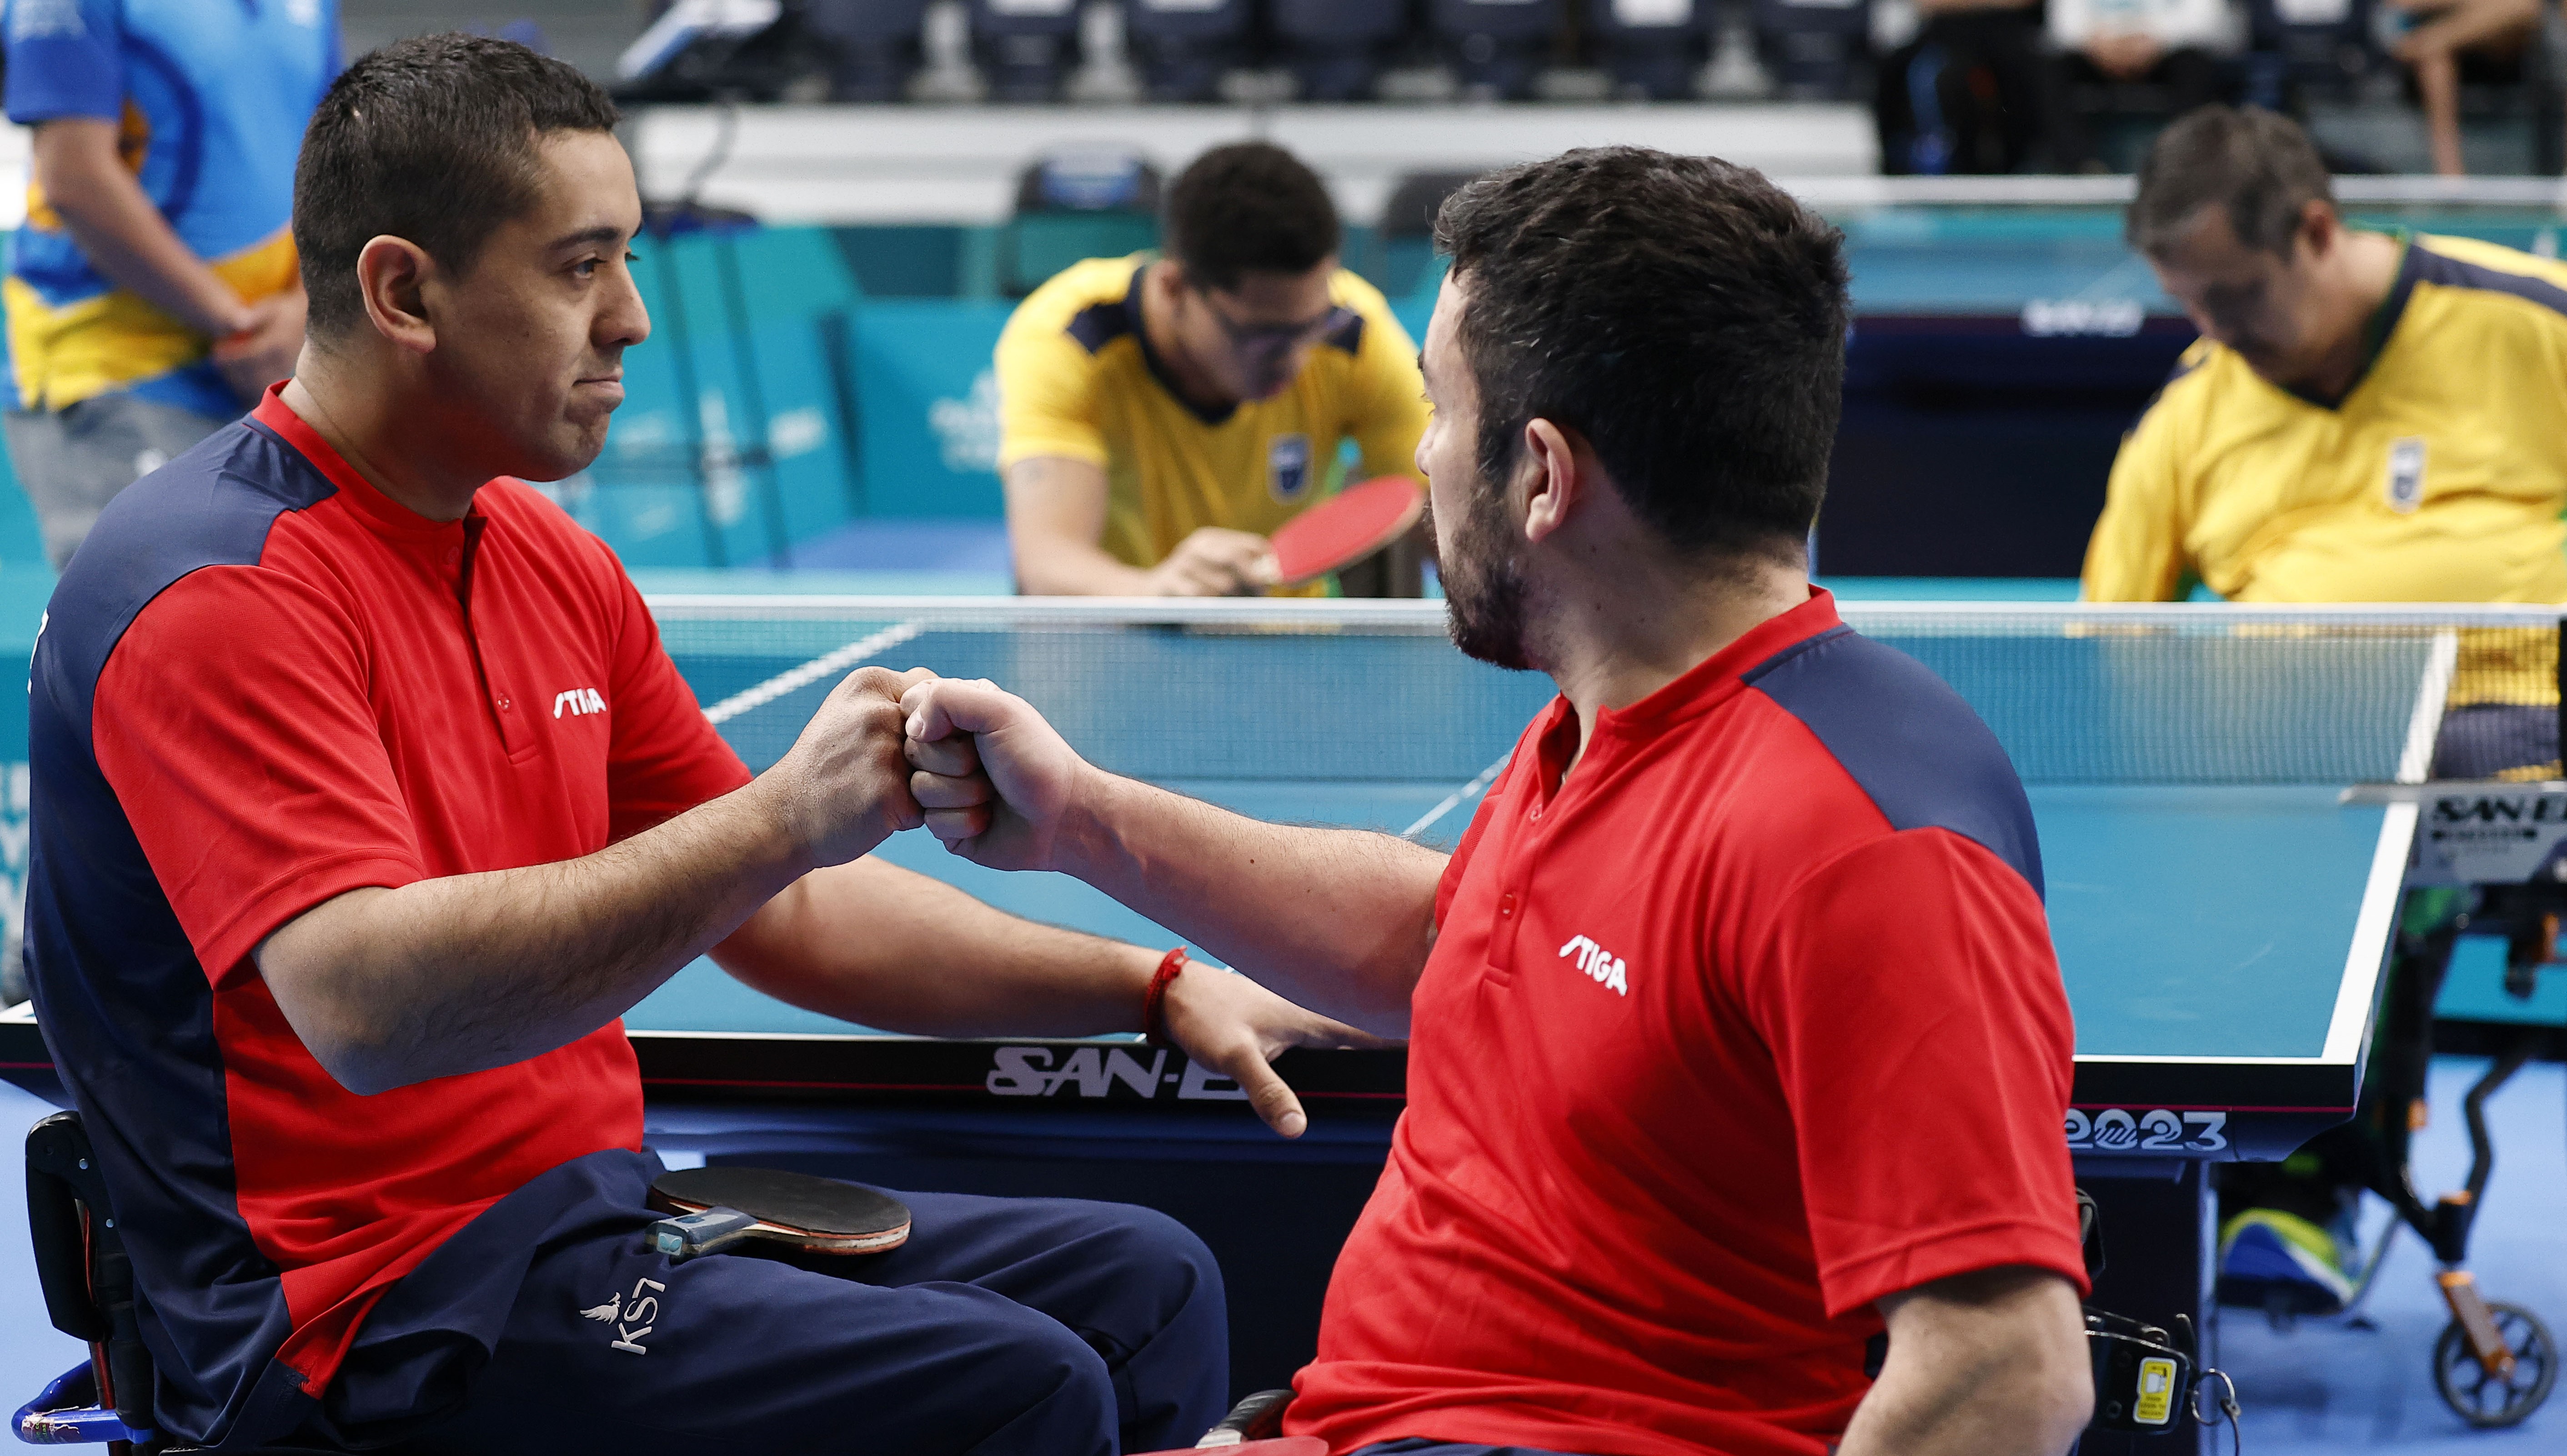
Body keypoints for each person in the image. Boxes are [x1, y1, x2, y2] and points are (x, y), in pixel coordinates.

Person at [24, 35, 1362, 1456]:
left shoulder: (541, 552)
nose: (633, 320)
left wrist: (1152, 986)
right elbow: (368, 1009)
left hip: (586, 1213)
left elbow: (781, 906)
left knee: (1146, 1284)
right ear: (403, 290)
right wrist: (784, 814)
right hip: (358, 1313)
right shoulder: (217, 592)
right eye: (579, 266)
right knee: (1024, 1379)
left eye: (628, 260)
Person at [903, 147, 2096, 1456]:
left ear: (1539, 474)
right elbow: (1461, 949)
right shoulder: (1610, 712)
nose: (1416, 461)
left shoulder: (1859, 840)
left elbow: (2005, 1372)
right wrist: (1079, 819)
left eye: (1436, 411)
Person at [2085, 104, 2567, 1308]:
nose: (2211, 331)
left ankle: (2297, 1189)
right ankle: (2257, 1189)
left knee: (2381, 827)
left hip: (2495, 716)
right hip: (2272, 751)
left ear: (2312, 230)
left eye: (2232, 294)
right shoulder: (2196, 400)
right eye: (2187, 302)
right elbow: (2101, 635)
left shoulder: (2525, 321)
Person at [995, 141, 1429, 596]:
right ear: (1174, 288)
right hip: (1125, 638)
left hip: (1297, 646)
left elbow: (1438, 516)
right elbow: (1047, 564)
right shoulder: (1072, 338)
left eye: (1312, 328)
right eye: (1264, 336)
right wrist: (1158, 592)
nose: (1296, 358)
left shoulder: (1355, 332)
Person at [2, 0, 331, 569]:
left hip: (271, 375)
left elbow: (335, 155)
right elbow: (74, 175)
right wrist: (238, 323)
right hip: (116, 368)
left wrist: (303, 310)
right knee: (155, 622)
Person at [1874, 0, 2068, 175]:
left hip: (2008, 33)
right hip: (1947, 34)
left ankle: (2054, 161)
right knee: (1895, 72)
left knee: (2041, 73)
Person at [2045, 0, 2236, 170]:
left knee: (2195, 66)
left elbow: (2208, 19)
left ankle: (2186, 164)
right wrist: (2099, 42)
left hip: (2166, 51)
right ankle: (2080, 167)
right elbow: (2061, 24)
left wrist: (2156, 39)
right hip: (2095, 52)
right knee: (2048, 69)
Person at [2385, 0, 2542, 176]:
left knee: (2520, 8)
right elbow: (2403, 5)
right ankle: (2452, 179)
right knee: (2435, 61)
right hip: (2445, 46)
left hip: (2503, 42)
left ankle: (2431, 41)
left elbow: (2526, 9)